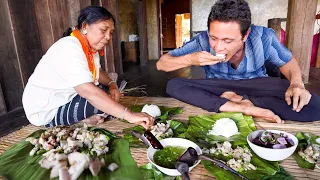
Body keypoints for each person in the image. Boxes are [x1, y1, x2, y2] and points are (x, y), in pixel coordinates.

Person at [157, 0, 320, 123]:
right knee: (174, 85)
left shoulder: (263, 37)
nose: (218, 47)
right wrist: (191, 59)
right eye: (214, 38)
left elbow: (288, 62)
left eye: (227, 40)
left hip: (258, 85)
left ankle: (244, 101)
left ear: (246, 34)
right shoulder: (202, 41)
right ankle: (239, 106)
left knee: (314, 105)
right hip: (218, 86)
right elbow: (162, 63)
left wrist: (297, 84)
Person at [22, 6, 154, 129]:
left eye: (111, 32)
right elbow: (89, 92)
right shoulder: (69, 48)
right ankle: (82, 121)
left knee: (113, 83)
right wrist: (130, 116)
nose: (108, 37)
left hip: (68, 97)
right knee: (101, 101)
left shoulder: (90, 49)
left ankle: (89, 116)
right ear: (85, 26)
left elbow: (98, 71)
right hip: (46, 110)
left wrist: (112, 84)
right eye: (103, 30)